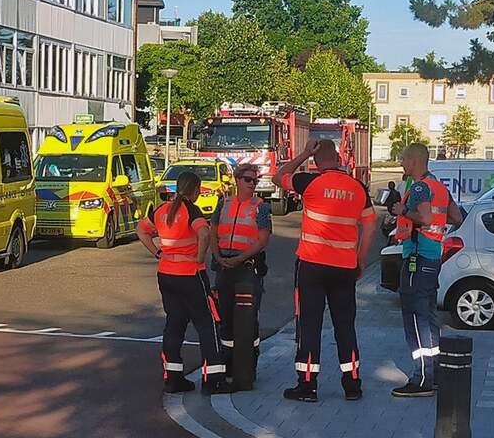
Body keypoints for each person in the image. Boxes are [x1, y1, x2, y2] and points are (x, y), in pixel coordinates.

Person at [273, 139, 376, 402]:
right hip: (344, 268)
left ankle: (307, 386)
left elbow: (279, 177)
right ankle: (352, 384)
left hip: (312, 266)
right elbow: (370, 225)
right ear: (339, 158)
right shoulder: (358, 188)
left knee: (309, 325)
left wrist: (304, 153)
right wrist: (360, 259)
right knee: (345, 326)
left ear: (317, 161)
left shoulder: (309, 182)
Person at [136, 171, 231, 395]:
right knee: (207, 324)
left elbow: (142, 230)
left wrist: (157, 252)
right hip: (191, 274)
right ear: (196, 190)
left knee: (175, 324)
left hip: (166, 273)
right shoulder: (192, 210)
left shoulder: (161, 210)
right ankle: (214, 379)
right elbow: (204, 234)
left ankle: (173, 378)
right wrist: (199, 257)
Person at [389, 143, 463, 397]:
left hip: (417, 259)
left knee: (414, 317)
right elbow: (456, 217)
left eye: (402, 159)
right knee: (428, 316)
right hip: (432, 258)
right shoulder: (438, 186)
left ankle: (421, 379)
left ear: (413, 160)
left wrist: (402, 211)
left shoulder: (419, 187)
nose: (401, 163)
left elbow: (426, 219)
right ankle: (435, 373)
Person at [210, 163, 272, 379]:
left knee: (248, 318)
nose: (252, 184)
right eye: (248, 180)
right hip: (224, 266)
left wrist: (239, 259)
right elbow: (213, 231)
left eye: (255, 181)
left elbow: (263, 239)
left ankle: (248, 365)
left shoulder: (260, 207)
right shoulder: (224, 202)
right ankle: (228, 363)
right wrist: (218, 257)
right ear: (237, 180)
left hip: (247, 267)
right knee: (225, 318)